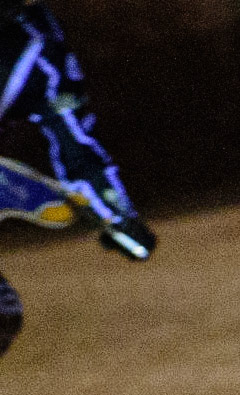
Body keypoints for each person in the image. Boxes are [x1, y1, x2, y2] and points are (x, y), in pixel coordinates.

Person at [0, 0, 154, 358]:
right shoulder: (38, 51)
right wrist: (116, 213)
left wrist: (115, 212)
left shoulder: (36, 48)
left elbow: (73, 138)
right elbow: (73, 138)